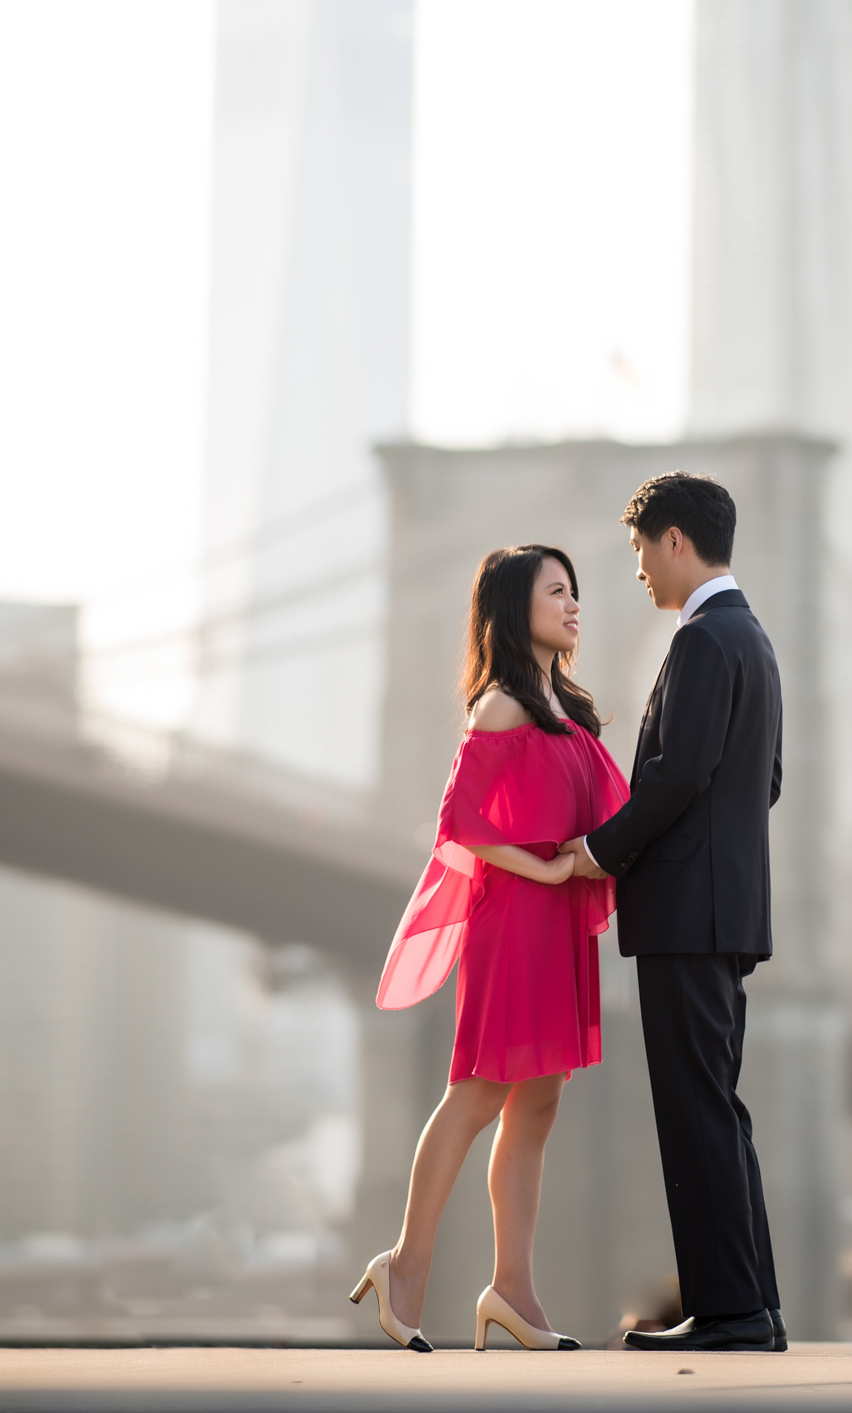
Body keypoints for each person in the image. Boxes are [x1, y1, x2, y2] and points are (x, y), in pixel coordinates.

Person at [350, 545, 629, 1353]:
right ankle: (405, 1264)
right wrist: (545, 867)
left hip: (556, 921)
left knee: (538, 1103)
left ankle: (512, 1288)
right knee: (477, 1092)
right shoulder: (502, 705)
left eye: (575, 592)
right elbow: (462, 823)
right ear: (515, 607)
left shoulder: (564, 705)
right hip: (514, 919)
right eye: (556, 591)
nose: (573, 605)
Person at [561, 472, 787, 1353]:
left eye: (640, 550)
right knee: (717, 1108)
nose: (639, 570)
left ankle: (729, 1312)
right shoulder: (752, 638)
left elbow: (676, 774)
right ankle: (753, 1305)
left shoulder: (700, 639)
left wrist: (601, 849)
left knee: (695, 1112)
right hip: (726, 913)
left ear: (676, 541)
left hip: (687, 915)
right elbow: (764, 782)